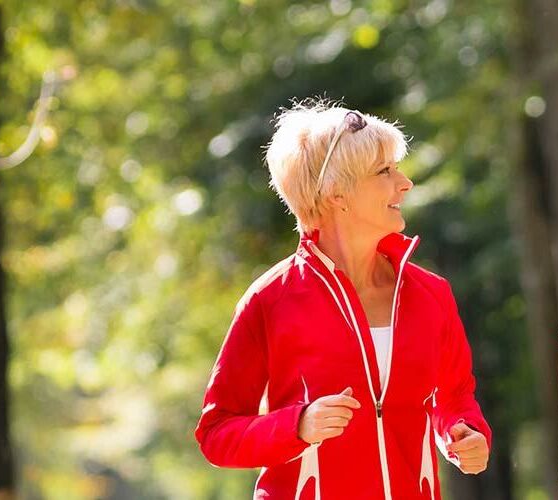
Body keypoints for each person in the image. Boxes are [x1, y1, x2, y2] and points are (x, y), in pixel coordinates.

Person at [195, 101, 491, 500]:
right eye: (384, 172)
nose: (405, 183)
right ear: (337, 193)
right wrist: (297, 425)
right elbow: (217, 434)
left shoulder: (430, 294)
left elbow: (454, 398)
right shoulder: (271, 299)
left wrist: (465, 431)